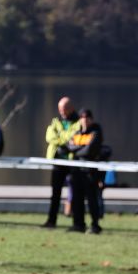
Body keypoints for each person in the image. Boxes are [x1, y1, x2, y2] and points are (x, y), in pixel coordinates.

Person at [42, 96, 80, 229]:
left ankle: (77, 223)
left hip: (72, 163)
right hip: (58, 162)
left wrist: (59, 138)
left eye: (65, 109)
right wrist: (64, 141)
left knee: (75, 194)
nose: (62, 112)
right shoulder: (56, 121)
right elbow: (49, 137)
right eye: (60, 109)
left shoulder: (78, 122)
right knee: (55, 194)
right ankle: (51, 221)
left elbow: (74, 137)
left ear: (71, 108)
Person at [67, 108, 103, 234]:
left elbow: (90, 150)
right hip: (77, 171)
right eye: (82, 117)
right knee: (77, 198)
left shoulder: (96, 132)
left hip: (90, 172)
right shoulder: (77, 132)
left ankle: (95, 225)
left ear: (91, 119)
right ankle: (78, 224)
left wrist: (77, 149)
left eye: (87, 117)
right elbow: (69, 146)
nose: (85, 120)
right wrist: (81, 148)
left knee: (92, 199)